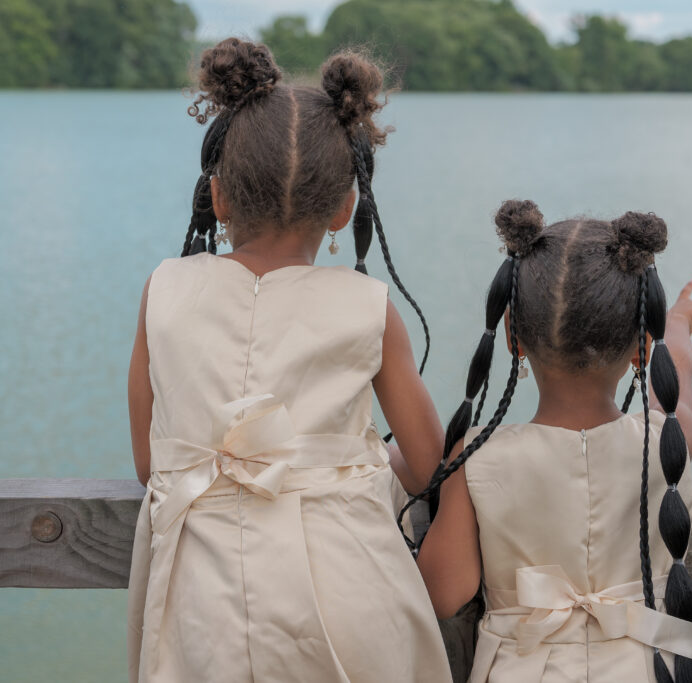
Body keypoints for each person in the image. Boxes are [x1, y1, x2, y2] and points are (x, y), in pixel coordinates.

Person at [126, 38, 452, 683]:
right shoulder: (367, 305)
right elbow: (426, 467)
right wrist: (348, 457)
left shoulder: (164, 288)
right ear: (344, 210)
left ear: (218, 197)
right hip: (349, 587)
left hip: (203, 603)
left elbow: (149, 464)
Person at [415, 200, 692, 682]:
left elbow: (444, 593)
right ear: (642, 345)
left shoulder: (476, 458)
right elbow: (676, 371)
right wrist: (676, 323)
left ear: (512, 335)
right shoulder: (667, 441)